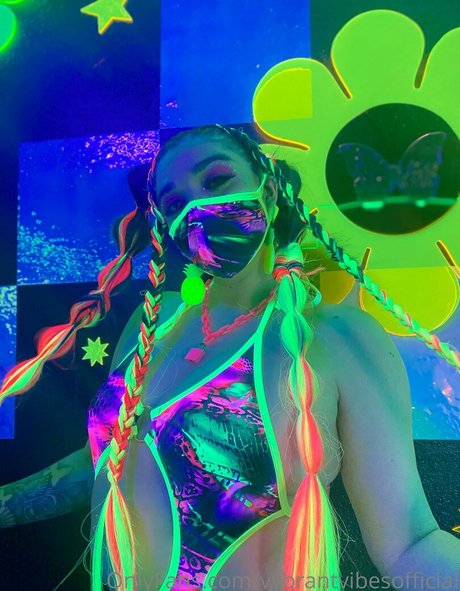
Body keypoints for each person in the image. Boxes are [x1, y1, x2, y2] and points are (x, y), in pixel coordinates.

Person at [1, 123, 459, 591]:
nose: (196, 208)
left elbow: (410, 544)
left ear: (270, 190)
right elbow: (104, 461)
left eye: (216, 180)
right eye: (174, 204)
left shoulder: (337, 336)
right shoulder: (151, 322)